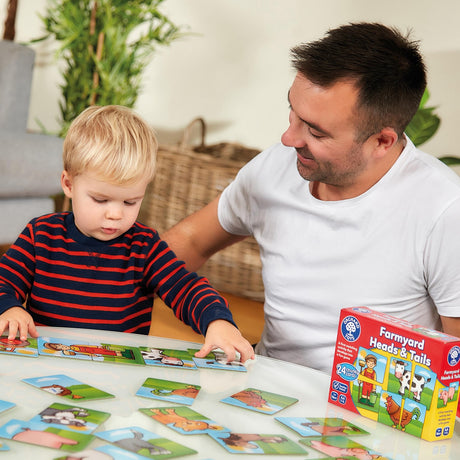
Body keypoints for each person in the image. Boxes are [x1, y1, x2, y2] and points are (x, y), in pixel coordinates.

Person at [161, 22, 460, 373]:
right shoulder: (275, 166)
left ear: (382, 141)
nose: (288, 138)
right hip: (264, 381)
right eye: (293, 112)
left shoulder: (443, 210)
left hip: (363, 401)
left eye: (316, 132)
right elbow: (192, 240)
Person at [0, 105, 254, 363]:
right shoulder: (40, 235)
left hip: (118, 370)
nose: (115, 214)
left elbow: (185, 287)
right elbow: (3, 282)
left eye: (130, 202)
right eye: (100, 200)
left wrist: (217, 321)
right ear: (69, 184)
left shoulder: (145, 247)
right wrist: (9, 308)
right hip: (45, 364)